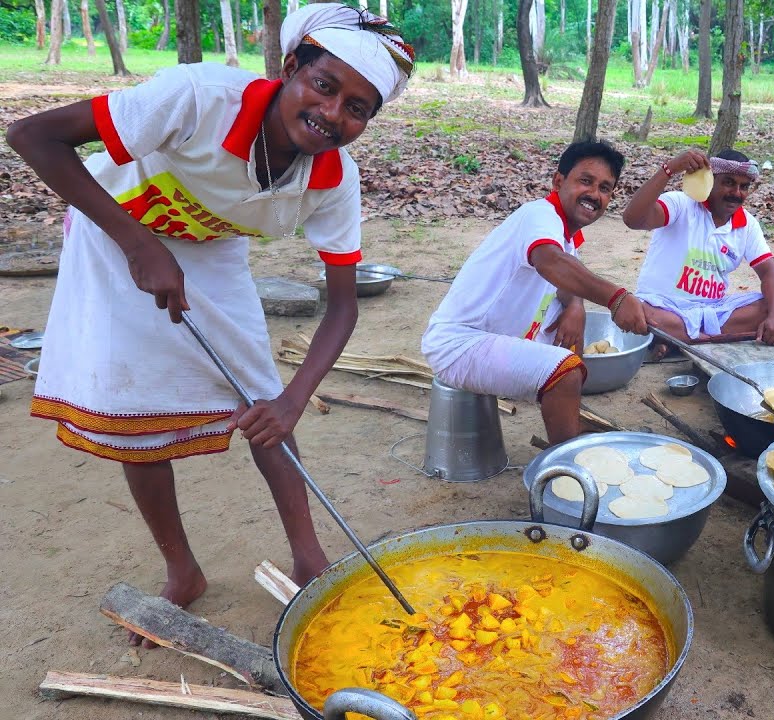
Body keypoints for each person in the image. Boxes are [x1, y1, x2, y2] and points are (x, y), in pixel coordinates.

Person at [6, 4, 414, 644]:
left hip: (212, 244)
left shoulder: (334, 178)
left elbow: (342, 304)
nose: (334, 114)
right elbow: (32, 137)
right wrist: (138, 244)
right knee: (130, 408)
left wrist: (292, 399)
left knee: (262, 402)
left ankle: (310, 560)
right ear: (289, 69)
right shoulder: (198, 98)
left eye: (358, 108)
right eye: (324, 86)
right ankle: (182, 571)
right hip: (114, 226)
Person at [421, 142, 648, 445]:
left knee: (570, 332)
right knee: (566, 370)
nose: (595, 194)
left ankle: (569, 419)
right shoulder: (538, 215)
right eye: (586, 181)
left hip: (499, 340)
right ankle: (565, 464)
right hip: (461, 344)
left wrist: (576, 307)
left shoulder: (565, 235)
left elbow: (567, 276)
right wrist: (617, 297)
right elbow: (550, 261)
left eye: (605, 188)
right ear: (558, 181)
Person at [621, 149, 774, 356]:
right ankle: (697, 338)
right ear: (710, 181)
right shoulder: (681, 203)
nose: (737, 193)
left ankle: (675, 339)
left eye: (744, 187)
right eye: (728, 182)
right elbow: (632, 219)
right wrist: (668, 169)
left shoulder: (748, 224)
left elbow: (770, 271)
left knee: (767, 307)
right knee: (637, 310)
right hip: (663, 307)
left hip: (713, 312)